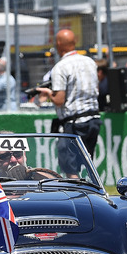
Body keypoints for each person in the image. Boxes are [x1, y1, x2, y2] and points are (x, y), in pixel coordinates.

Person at [35, 29, 101, 177]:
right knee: (88, 162)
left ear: (59, 44)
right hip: (94, 119)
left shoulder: (61, 67)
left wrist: (48, 93)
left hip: (74, 123)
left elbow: (59, 100)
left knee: (70, 168)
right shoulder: (90, 62)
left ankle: (76, 198)